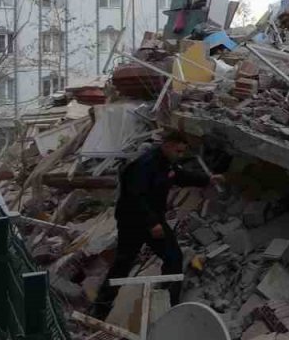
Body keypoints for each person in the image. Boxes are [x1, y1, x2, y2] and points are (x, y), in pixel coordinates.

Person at [92, 131, 221, 318]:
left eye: (183, 152)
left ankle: (167, 305)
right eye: (178, 151)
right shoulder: (145, 165)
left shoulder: (166, 162)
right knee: (123, 263)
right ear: (167, 145)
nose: (180, 155)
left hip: (153, 220)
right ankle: (101, 307)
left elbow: (179, 176)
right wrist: (152, 223)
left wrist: (207, 179)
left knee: (173, 257)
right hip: (134, 221)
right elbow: (136, 196)